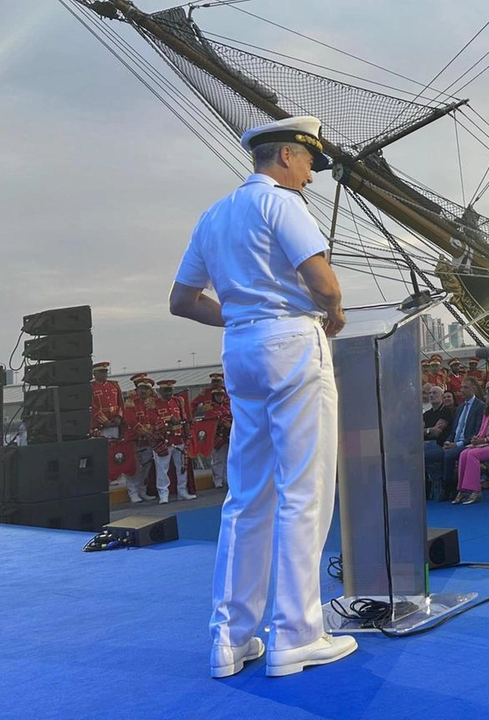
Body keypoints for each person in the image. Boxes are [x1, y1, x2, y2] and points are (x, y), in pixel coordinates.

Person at [168, 116, 357, 677]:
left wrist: (244, 316)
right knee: (305, 489)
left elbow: (182, 299)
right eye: (308, 164)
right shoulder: (281, 202)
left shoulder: (214, 215)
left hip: (241, 348)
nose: (311, 177)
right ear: (285, 157)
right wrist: (335, 314)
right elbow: (324, 282)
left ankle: (231, 638)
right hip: (292, 344)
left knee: (246, 496)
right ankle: (298, 635)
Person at [425, 377, 485, 501]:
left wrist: (457, 444)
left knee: (448, 455)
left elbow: (477, 432)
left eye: (465, 387)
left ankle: (448, 486)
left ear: (473, 389)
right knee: (427, 455)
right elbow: (453, 430)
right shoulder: (460, 408)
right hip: (452, 442)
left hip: (468, 443)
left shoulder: (480, 406)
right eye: (461, 387)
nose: (461, 390)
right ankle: (445, 483)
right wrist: (449, 441)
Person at [154, 379, 195, 503]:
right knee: (162, 469)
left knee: (182, 466)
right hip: (163, 440)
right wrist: (168, 419)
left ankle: (182, 491)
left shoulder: (178, 401)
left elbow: (184, 417)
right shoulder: (154, 404)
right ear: (160, 391)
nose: (168, 393)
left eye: (170, 390)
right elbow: (152, 420)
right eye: (165, 391)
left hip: (179, 438)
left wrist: (187, 435)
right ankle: (163, 493)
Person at [120, 377, 160, 504]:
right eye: (141, 388)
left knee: (146, 466)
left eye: (147, 389)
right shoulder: (131, 402)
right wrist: (146, 432)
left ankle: (142, 490)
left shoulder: (151, 403)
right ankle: (133, 492)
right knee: (133, 467)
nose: (144, 391)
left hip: (147, 441)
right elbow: (130, 420)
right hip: (133, 440)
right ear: (137, 390)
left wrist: (152, 431)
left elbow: (155, 419)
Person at [194, 385, 234, 489]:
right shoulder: (210, 408)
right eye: (217, 395)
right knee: (217, 460)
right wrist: (224, 422)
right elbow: (213, 420)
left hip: (228, 436)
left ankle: (227, 479)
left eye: (221, 395)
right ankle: (218, 480)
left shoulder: (227, 407)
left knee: (228, 459)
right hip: (217, 438)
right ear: (213, 396)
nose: (220, 397)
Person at [90, 362, 124, 439]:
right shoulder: (91, 387)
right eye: (101, 372)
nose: (104, 374)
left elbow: (121, 403)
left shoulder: (114, 385)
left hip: (115, 423)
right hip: (99, 426)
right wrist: (104, 420)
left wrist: (119, 416)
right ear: (94, 373)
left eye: (105, 372)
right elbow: (92, 406)